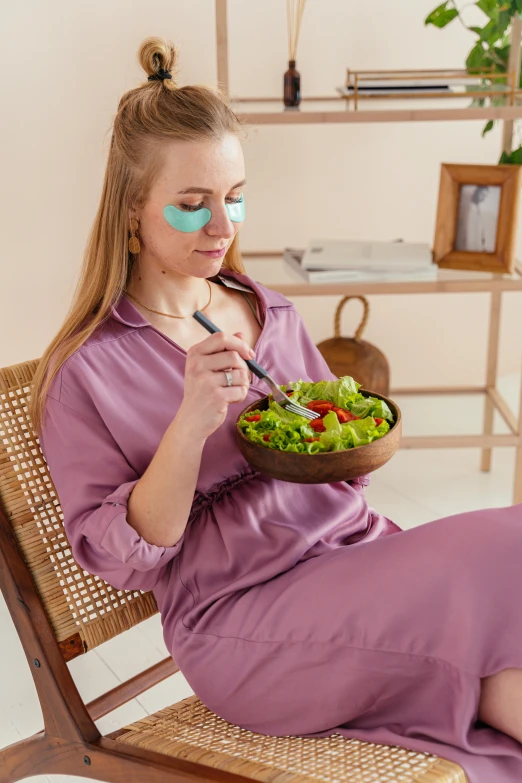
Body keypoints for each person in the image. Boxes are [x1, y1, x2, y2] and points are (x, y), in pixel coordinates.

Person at [30, 37, 522, 783]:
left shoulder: (265, 309)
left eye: (234, 198)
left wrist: (342, 439)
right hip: (241, 622)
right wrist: (193, 420)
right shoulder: (86, 372)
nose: (223, 227)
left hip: (358, 559)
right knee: (498, 553)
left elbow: (343, 471)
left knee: (502, 641)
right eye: (192, 206)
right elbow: (118, 558)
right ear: (133, 210)